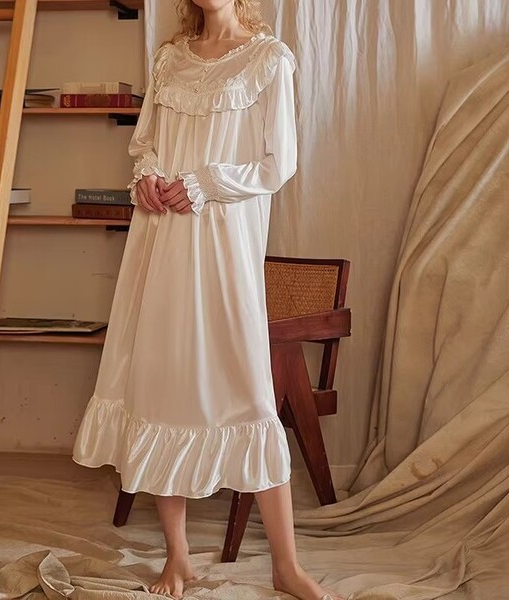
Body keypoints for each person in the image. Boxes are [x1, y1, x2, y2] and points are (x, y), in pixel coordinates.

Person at [73, 1, 343, 599]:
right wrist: (146, 177)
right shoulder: (170, 58)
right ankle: (178, 557)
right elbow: (145, 144)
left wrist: (205, 183)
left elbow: (278, 163)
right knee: (161, 384)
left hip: (222, 243)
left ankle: (286, 566)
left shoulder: (269, 59)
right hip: (159, 239)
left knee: (248, 394)